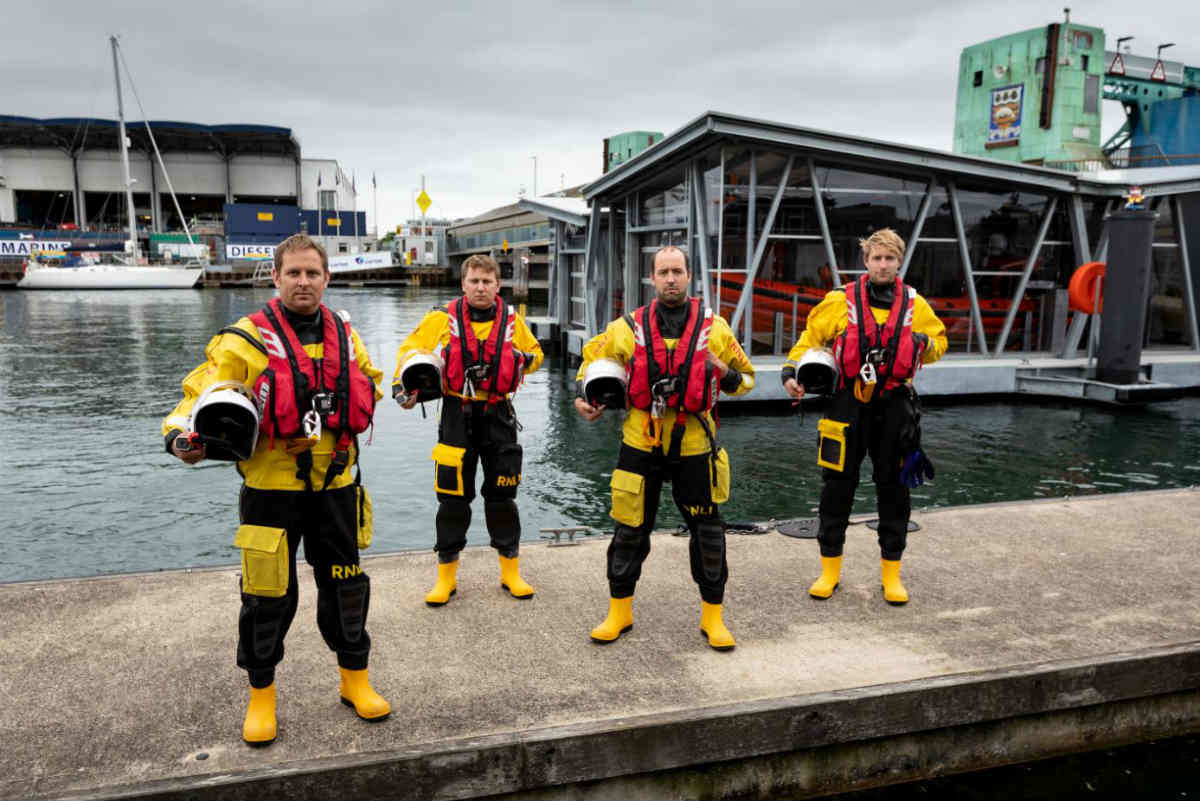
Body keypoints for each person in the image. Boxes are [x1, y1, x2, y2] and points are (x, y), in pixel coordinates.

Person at [162, 233, 389, 747]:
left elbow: (369, 382)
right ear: (276, 277)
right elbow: (197, 394)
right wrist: (180, 437)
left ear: (327, 278)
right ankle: (261, 693)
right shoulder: (243, 339)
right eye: (294, 273)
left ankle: (355, 679)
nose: (303, 281)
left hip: (336, 486)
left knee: (346, 588)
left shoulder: (346, 335)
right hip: (270, 490)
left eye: (313, 273)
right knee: (265, 598)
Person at [575, 245, 755, 651]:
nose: (670, 278)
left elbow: (746, 381)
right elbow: (589, 366)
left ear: (689, 277)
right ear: (652, 278)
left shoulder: (717, 328)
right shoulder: (626, 327)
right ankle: (619, 610)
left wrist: (723, 370)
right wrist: (583, 397)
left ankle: (713, 618)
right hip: (641, 439)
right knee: (628, 528)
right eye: (663, 272)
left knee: (708, 531)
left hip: (695, 441)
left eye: (677, 271)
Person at [783, 228, 947, 605]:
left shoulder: (915, 306)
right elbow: (810, 340)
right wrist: (790, 373)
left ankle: (891, 574)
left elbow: (939, 344)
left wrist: (923, 344)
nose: (883, 264)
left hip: (894, 407)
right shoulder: (838, 302)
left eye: (890, 258)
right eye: (877, 258)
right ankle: (829, 572)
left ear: (899, 262)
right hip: (846, 404)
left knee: (894, 489)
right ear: (866, 261)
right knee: (836, 486)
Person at [394, 254, 544, 605]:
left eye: (487, 282)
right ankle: (446, 576)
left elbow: (536, 355)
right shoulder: (440, 319)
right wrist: (407, 389)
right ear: (463, 284)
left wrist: (518, 361)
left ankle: (511, 572)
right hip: (455, 415)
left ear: (498, 286)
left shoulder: (512, 321)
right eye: (474, 281)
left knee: (503, 496)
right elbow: (408, 353)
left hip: (499, 416)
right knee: (452, 499)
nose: (480, 287)